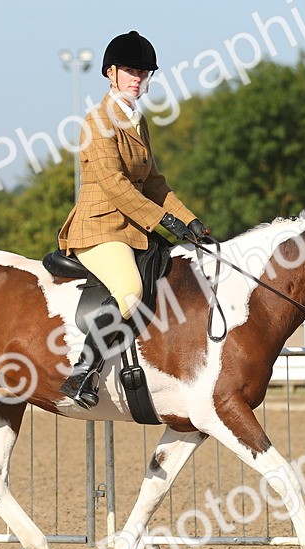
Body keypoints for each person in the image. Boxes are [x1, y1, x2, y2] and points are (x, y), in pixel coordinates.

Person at [56, 30, 210, 409]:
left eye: (143, 72)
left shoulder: (137, 121)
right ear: (110, 73)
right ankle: (84, 372)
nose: (137, 78)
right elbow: (115, 185)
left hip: (131, 227)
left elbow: (154, 182)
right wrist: (163, 221)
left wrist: (189, 221)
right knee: (129, 288)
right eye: (130, 71)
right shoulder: (97, 121)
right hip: (99, 226)